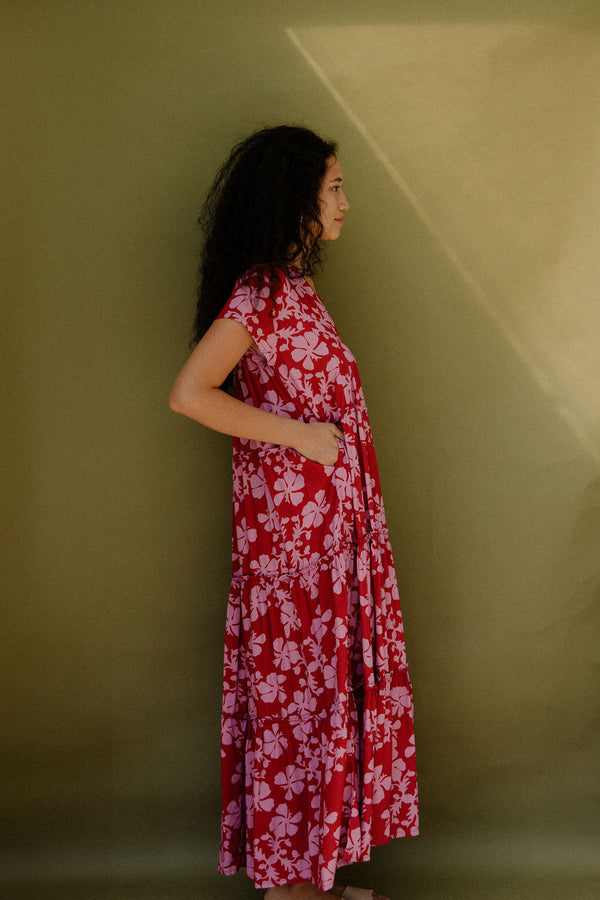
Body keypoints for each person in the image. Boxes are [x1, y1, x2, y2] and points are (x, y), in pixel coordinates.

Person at [169, 125, 418, 900]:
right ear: (296, 198)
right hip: (292, 548)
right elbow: (190, 393)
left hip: (327, 543)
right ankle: (292, 890)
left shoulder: (296, 289)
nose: (346, 201)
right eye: (335, 186)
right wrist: (305, 438)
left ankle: (310, 882)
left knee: (316, 703)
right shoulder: (260, 293)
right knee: (294, 704)